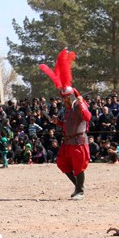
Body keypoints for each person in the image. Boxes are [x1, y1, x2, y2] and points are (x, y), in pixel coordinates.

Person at [39, 49, 91, 200]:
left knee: (78, 166)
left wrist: (81, 105)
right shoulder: (67, 110)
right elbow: (66, 126)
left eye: (65, 98)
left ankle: (80, 191)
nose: (63, 100)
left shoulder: (79, 105)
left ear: (70, 96)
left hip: (79, 141)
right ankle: (77, 187)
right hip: (68, 141)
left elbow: (88, 117)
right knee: (62, 163)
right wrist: (58, 122)